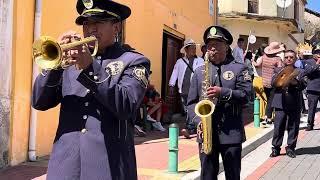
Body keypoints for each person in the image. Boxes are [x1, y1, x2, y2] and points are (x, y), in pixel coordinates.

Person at [31, 0, 150, 179]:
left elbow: (126, 105)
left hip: (109, 166)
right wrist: (55, 67)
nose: (90, 29)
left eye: (98, 22)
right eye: (86, 23)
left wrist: (90, 68)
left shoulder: (133, 61)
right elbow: (39, 102)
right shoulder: (70, 63)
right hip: (65, 166)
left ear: (116, 27)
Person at [187, 26, 252, 180]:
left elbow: (246, 96)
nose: (212, 49)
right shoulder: (199, 72)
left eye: (217, 45)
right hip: (206, 133)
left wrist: (223, 92)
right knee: (207, 175)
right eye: (209, 46)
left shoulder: (239, 69)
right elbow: (191, 103)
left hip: (231, 133)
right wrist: (199, 121)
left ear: (226, 46)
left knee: (233, 175)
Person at [269, 50, 306, 158]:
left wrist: (295, 83)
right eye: (286, 57)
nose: (289, 59)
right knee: (278, 126)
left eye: (291, 57)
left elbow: (303, 85)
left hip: (294, 101)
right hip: (280, 102)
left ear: (295, 59)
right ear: (283, 59)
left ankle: (290, 148)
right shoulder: (278, 70)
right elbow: (273, 83)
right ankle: (276, 148)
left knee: (293, 126)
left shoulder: (300, 71)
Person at [169, 39, 204, 138]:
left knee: (191, 109)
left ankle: (189, 128)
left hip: (196, 90)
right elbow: (175, 73)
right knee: (187, 110)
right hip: (183, 90)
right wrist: (171, 85)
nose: (194, 50)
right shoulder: (180, 61)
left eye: (194, 48)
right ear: (186, 50)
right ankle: (194, 127)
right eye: (192, 48)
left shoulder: (200, 61)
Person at [252, 42, 284, 125]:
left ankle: (267, 116)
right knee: (271, 100)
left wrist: (252, 61)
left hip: (264, 81)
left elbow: (257, 65)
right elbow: (280, 70)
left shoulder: (263, 57)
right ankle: (268, 117)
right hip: (273, 82)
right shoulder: (277, 59)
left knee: (268, 99)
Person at [300, 43, 320, 131]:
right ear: (314, 55)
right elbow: (307, 72)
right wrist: (317, 64)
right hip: (313, 89)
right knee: (312, 108)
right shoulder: (309, 62)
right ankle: (310, 124)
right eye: (318, 55)